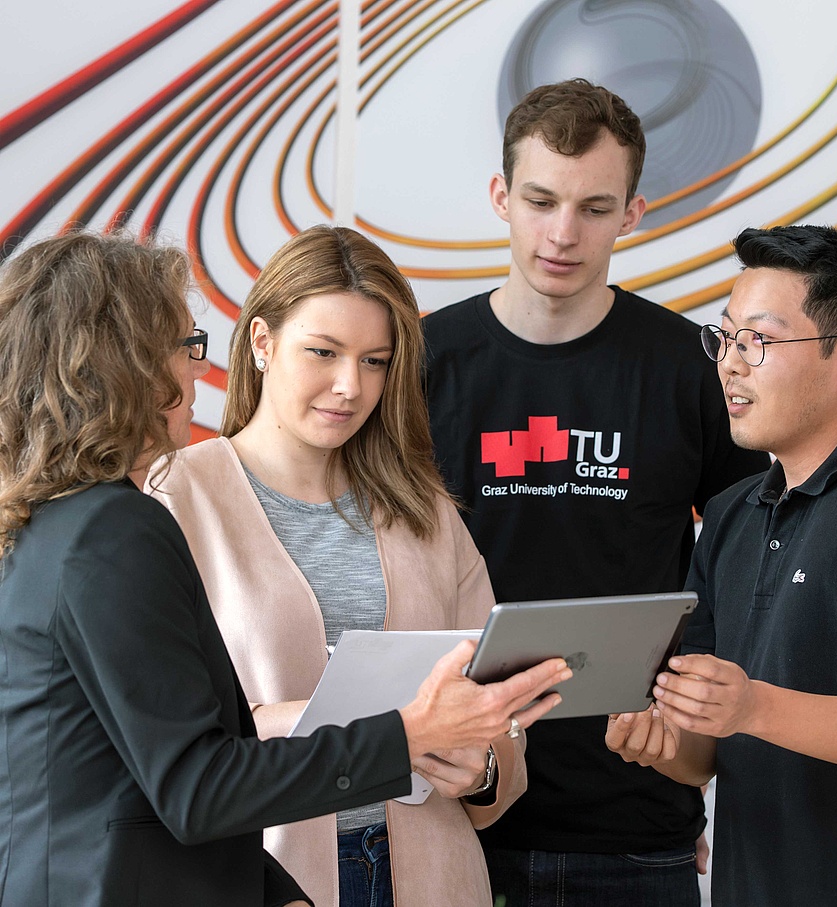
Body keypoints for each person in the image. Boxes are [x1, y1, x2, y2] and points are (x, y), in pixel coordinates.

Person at [0, 231, 572, 907]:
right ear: (125, 362)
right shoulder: (122, 523)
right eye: (185, 347)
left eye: (376, 360)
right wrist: (411, 731)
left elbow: (154, 774)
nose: (193, 370)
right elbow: (192, 783)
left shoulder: (59, 521)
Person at [422, 78, 770, 906]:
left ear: (634, 212)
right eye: (541, 200)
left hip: (636, 811)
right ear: (501, 196)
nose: (563, 233)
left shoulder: (690, 365)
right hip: (453, 809)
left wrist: (698, 738)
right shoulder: (422, 362)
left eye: (594, 207)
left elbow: (753, 567)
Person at [147, 224, 544, 907]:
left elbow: (498, 705)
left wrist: (479, 766)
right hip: (265, 873)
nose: (348, 386)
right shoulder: (172, 496)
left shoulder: (425, 508)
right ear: (263, 343)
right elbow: (157, 734)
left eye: (375, 361)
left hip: (432, 868)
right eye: (323, 352)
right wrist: (358, 727)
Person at [606, 224, 837, 905]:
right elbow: (708, 750)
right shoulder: (732, 512)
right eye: (726, 336)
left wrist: (753, 704)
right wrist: (663, 742)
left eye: (759, 341)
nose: (730, 364)